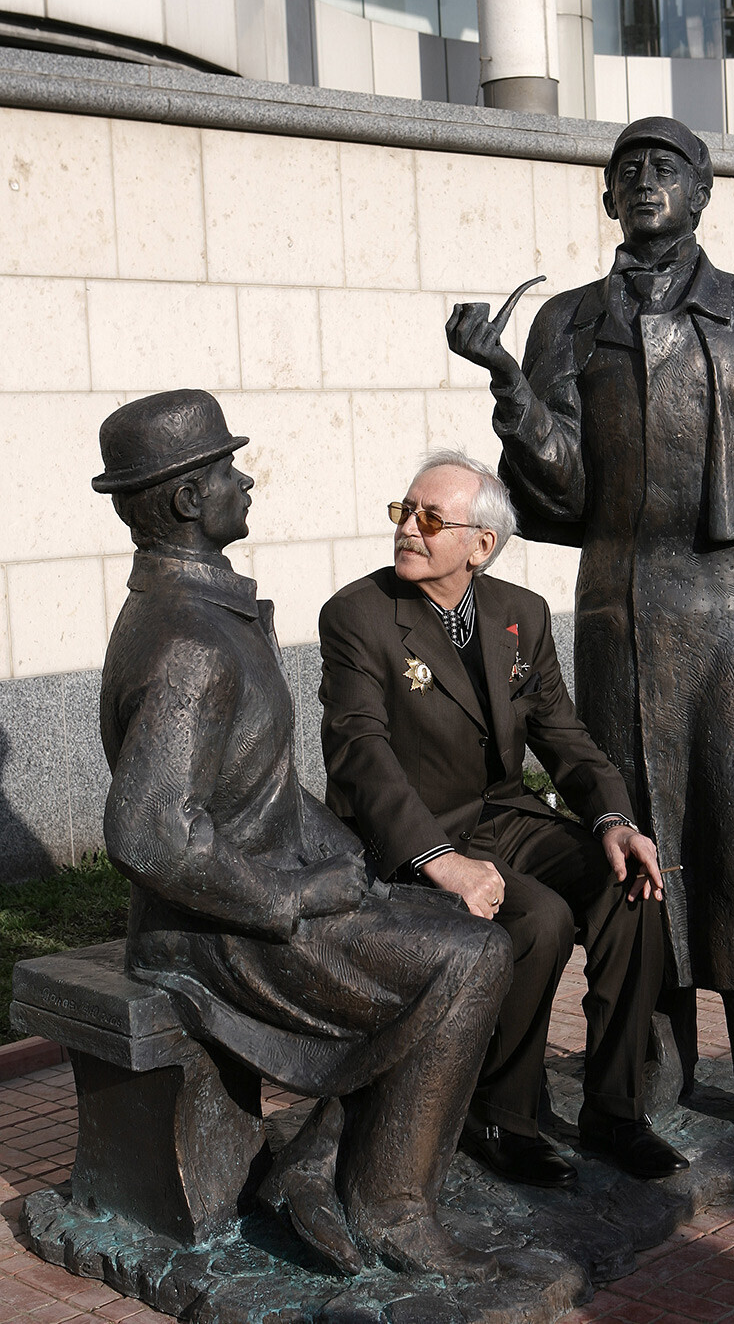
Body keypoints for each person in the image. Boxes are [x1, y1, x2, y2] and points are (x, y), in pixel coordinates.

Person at [445, 117, 734, 1143]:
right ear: (606, 199)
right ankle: (655, 1067)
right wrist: (509, 384)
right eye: (627, 169)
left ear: (703, 191)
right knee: (633, 846)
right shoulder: (568, 322)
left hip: (729, 608)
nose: (645, 181)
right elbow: (565, 485)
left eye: (666, 167)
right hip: (618, 613)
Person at [94, 390, 514, 1284]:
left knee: (434, 930)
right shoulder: (189, 641)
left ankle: (315, 1165)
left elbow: (261, 789)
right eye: (225, 471)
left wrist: (340, 857)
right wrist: (291, 897)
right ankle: (391, 1204)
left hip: (254, 891)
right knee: (471, 958)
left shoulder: (214, 615)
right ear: (184, 501)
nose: (243, 481)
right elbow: (149, 836)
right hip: (216, 931)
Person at [319, 450, 688, 1186]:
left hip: (506, 814)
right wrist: (438, 859)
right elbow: (360, 752)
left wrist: (615, 819)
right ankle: (499, 1116)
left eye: (430, 518)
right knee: (540, 918)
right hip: (419, 834)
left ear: (480, 545)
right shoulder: (358, 615)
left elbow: (565, 737)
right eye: (404, 511)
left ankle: (616, 1111)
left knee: (629, 882)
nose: (408, 530)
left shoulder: (521, 614)